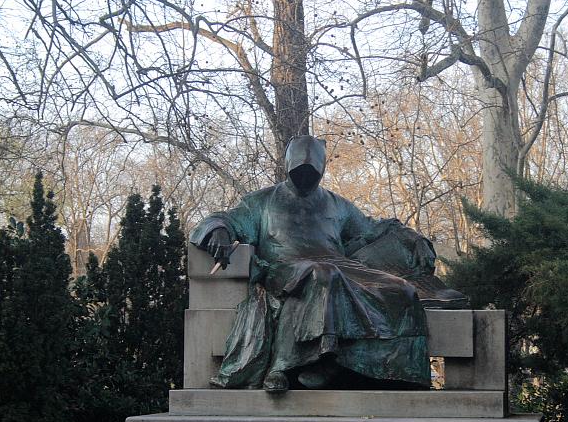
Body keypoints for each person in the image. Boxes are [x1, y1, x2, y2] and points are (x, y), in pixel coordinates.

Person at [190, 135, 465, 392]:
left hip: (339, 265)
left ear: (321, 170)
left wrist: (409, 236)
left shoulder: (337, 204)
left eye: (312, 170)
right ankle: (297, 364)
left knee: (401, 289)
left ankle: (391, 372)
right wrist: (218, 231)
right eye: (299, 169)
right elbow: (224, 218)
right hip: (285, 267)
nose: (305, 176)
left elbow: (369, 228)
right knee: (323, 275)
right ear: (288, 166)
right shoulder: (261, 201)